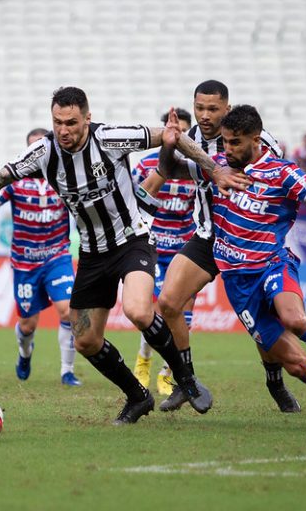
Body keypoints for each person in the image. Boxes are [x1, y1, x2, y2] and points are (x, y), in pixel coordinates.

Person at [0, 87, 249, 424]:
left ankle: (185, 379)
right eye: (57, 122)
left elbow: (172, 135)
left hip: (132, 241)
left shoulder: (112, 138)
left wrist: (214, 170)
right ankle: (137, 397)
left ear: (87, 118)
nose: (64, 130)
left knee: (139, 311)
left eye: (71, 122)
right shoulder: (43, 152)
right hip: (91, 253)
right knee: (85, 340)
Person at [160, 106, 306, 432]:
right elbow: (170, 170)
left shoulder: (281, 172)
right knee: (294, 364)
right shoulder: (219, 169)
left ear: (255, 140)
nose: (227, 150)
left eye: (235, 143)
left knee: (295, 318)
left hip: (272, 264)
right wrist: (169, 143)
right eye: (224, 142)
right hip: (239, 282)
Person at [153, 81, 302, 414]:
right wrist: (169, 141)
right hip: (208, 237)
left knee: (262, 323)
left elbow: (285, 182)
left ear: (228, 109)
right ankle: (186, 380)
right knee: (168, 302)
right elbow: (168, 168)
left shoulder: (253, 139)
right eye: (200, 108)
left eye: (213, 109)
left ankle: (275, 382)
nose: (205, 116)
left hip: (250, 242)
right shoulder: (188, 137)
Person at [0, 128, 81, 386]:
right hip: (25, 264)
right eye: (32, 149)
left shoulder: (66, 179)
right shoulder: (14, 182)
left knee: (68, 312)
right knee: (28, 325)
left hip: (57, 257)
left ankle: (67, 370)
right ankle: (24, 353)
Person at [130, 108, 195, 396]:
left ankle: (167, 373)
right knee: (156, 312)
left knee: (184, 315)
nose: (179, 137)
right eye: (174, 132)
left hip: (186, 248)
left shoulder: (195, 167)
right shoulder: (145, 165)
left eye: (184, 132)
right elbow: (131, 200)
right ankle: (143, 359)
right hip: (154, 246)